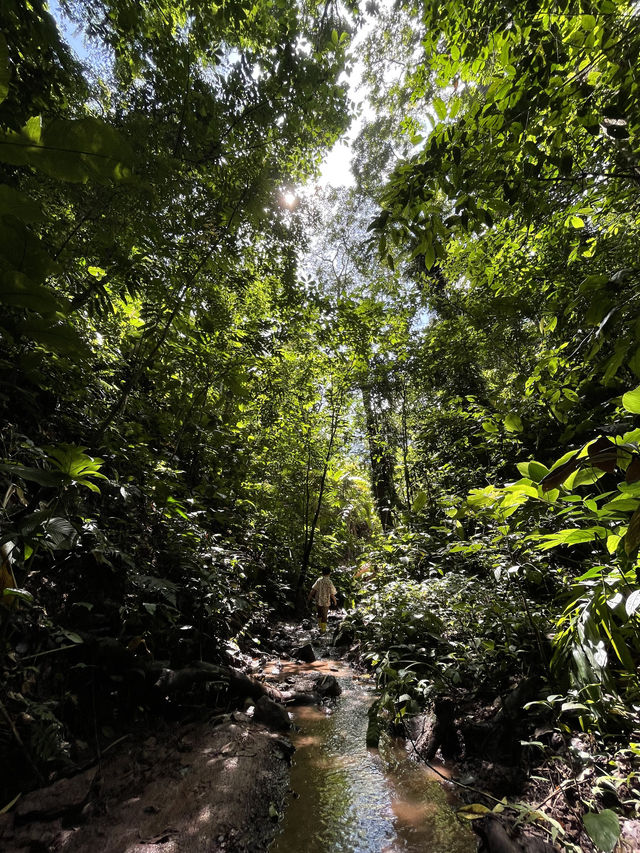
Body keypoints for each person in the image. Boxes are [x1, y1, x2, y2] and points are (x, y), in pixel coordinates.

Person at [307, 568, 337, 634]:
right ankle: (323, 630)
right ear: (329, 574)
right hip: (326, 601)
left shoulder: (319, 580)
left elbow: (313, 590)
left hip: (318, 600)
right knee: (324, 615)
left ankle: (319, 627)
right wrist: (335, 600)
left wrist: (309, 597)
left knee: (319, 613)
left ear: (322, 573)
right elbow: (331, 593)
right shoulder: (329, 582)